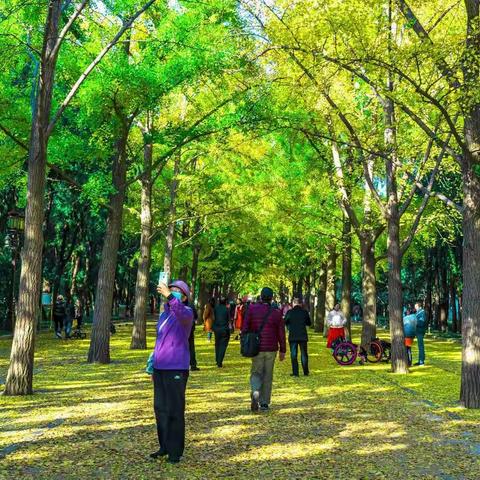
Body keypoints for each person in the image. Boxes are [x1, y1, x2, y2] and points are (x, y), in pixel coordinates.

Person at [150, 280, 193, 464]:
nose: (172, 292)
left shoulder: (187, 313)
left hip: (176, 367)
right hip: (160, 368)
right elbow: (160, 340)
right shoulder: (164, 314)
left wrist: (169, 295)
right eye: (171, 289)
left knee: (175, 409)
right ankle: (164, 446)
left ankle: (175, 451)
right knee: (160, 408)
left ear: (183, 297)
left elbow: (181, 312)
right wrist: (153, 361)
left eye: (176, 291)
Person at [242, 287, 286, 412]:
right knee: (268, 375)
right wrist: (283, 350)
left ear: (261, 296)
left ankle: (255, 391)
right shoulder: (276, 312)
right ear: (271, 298)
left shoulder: (252, 309)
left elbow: (245, 328)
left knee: (256, 372)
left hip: (256, 347)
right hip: (271, 348)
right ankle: (265, 403)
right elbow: (281, 333)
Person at [284, 298, 311, 376]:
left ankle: (296, 373)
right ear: (301, 304)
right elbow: (309, 323)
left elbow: (285, 321)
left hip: (293, 336)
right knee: (304, 354)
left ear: (293, 303)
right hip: (302, 335)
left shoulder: (290, 312)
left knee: (293, 354)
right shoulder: (304, 312)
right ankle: (306, 372)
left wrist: (289, 325)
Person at [213, 298, 230, 367]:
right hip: (224, 328)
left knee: (217, 344)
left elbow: (214, 317)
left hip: (217, 328)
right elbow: (228, 319)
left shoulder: (216, 309)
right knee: (223, 345)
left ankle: (217, 360)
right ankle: (220, 361)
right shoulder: (226, 309)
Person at [414, 301, 426, 366]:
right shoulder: (418, 312)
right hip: (418, 331)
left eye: (416, 307)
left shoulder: (422, 312)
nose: (415, 308)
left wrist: (415, 322)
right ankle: (420, 361)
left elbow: (421, 322)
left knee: (421, 346)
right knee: (420, 346)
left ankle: (421, 361)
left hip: (420, 331)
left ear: (419, 306)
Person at [188, 302, 200, 371]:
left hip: (179, 329)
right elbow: (195, 316)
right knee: (191, 347)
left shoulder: (174, 305)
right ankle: (192, 365)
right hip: (189, 328)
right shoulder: (190, 305)